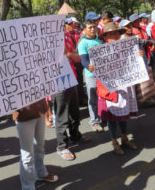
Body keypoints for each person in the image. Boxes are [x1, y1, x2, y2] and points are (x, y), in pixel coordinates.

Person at [92, 22, 140, 155]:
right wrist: (93, 68)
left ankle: (125, 138)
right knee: (112, 116)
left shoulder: (127, 47)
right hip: (109, 89)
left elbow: (134, 62)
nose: (114, 35)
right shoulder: (99, 51)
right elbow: (96, 70)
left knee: (124, 115)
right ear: (105, 36)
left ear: (119, 35)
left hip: (124, 86)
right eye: (111, 33)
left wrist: (139, 55)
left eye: (116, 33)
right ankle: (114, 141)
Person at [53, 19, 91, 161]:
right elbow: (69, 54)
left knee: (74, 111)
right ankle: (62, 146)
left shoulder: (68, 36)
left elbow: (71, 53)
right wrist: (76, 56)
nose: (69, 24)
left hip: (72, 77)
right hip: (59, 80)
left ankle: (75, 136)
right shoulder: (52, 38)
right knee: (62, 114)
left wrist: (74, 56)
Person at [13, 99, 58, 190]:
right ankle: (28, 187)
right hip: (23, 115)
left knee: (39, 146)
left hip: (39, 110)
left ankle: (40, 173)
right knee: (27, 154)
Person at [78, 20, 103, 132]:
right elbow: (83, 60)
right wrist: (90, 68)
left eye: (94, 27)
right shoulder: (83, 43)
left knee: (102, 97)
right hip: (91, 75)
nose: (92, 29)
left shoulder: (100, 40)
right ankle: (94, 121)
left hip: (103, 74)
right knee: (92, 99)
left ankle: (103, 116)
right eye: (89, 28)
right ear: (84, 30)